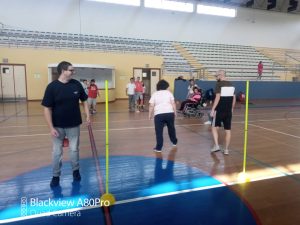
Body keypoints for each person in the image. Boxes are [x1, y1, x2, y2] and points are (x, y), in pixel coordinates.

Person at [42, 61, 90, 188]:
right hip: (57, 126)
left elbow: (84, 101)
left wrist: (88, 115)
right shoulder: (52, 87)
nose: (73, 72)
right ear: (63, 71)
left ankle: (76, 171)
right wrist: (51, 127)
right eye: (71, 70)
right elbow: (47, 108)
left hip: (74, 125)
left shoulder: (76, 84)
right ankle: (56, 176)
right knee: (57, 152)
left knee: (74, 149)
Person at [210, 70, 236, 155]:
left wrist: (213, 109)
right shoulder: (231, 84)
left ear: (221, 75)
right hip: (228, 111)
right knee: (228, 130)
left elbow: (217, 97)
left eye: (216, 76)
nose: (216, 78)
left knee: (214, 127)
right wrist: (232, 108)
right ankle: (226, 150)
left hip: (219, 110)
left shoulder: (219, 84)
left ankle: (216, 145)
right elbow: (234, 98)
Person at [149, 79, 178, 152]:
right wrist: (175, 112)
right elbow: (173, 103)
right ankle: (174, 142)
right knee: (171, 128)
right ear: (165, 86)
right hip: (169, 113)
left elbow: (151, 105)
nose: (168, 88)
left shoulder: (155, 94)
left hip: (159, 114)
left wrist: (150, 114)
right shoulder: (169, 93)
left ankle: (158, 148)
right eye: (168, 86)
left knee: (159, 131)